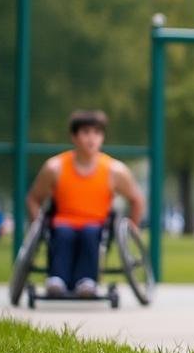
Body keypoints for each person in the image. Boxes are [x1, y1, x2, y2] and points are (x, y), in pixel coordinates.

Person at [25, 110, 146, 297]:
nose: (92, 139)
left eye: (97, 133)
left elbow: (137, 200)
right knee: (64, 232)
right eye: (86, 132)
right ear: (74, 136)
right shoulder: (54, 167)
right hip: (62, 222)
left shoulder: (114, 170)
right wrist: (38, 225)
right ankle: (57, 279)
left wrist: (133, 228)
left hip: (96, 225)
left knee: (90, 233)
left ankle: (87, 282)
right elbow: (33, 198)